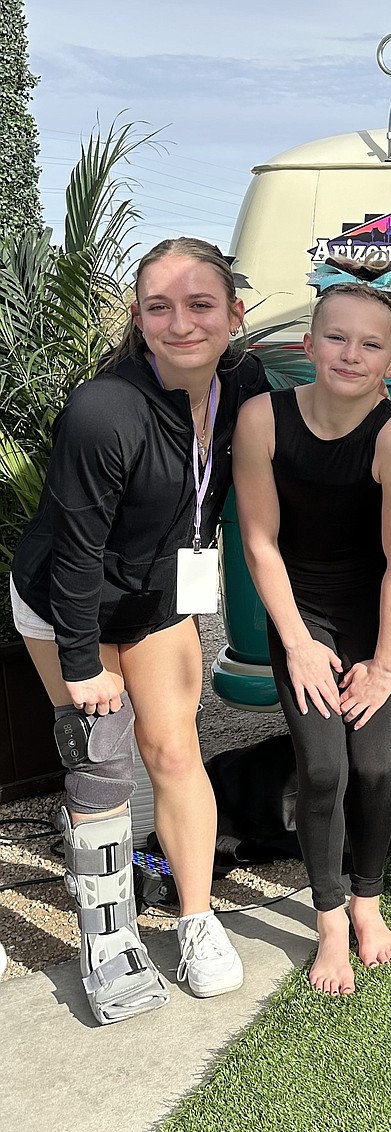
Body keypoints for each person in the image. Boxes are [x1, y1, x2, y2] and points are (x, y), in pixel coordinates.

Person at [9, 238, 271, 1023]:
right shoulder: (104, 410)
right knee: (101, 761)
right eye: (159, 307)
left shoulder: (243, 382)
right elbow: (78, 555)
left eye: (200, 305)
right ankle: (109, 938)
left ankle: (196, 919)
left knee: (175, 750)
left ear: (234, 313)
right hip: (66, 602)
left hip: (156, 599)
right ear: (137, 317)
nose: (181, 323)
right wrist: (85, 667)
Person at [233, 258, 391, 995]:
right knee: (322, 769)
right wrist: (299, 644)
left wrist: (382, 665)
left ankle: (368, 901)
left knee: (374, 768)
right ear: (309, 346)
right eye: (337, 339)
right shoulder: (264, 419)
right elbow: (259, 542)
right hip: (301, 614)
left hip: (373, 616)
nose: (352, 355)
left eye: (371, 345)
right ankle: (331, 922)